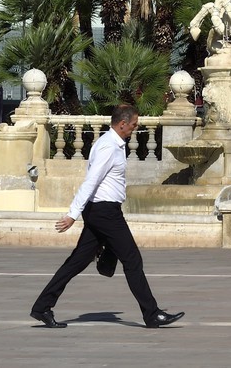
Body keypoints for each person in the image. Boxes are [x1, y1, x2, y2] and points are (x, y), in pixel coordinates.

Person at [30, 104, 183, 329]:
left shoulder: (113, 144)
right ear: (122, 124)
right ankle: (151, 314)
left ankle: (42, 307)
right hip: (104, 212)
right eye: (133, 124)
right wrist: (72, 214)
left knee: (78, 261)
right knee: (132, 259)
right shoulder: (108, 147)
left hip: (102, 211)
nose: (135, 128)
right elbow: (91, 181)